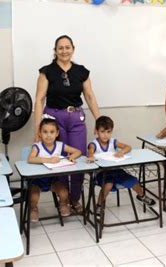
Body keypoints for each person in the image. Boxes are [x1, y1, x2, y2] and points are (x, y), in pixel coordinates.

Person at [34, 35, 101, 214]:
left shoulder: (81, 71)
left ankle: (75, 199)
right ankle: (64, 200)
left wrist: (99, 120)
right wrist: (37, 129)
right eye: (60, 48)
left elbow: (89, 96)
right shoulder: (46, 71)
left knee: (78, 158)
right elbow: (39, 99)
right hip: (54, 119)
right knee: (62, 159)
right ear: (55, 50)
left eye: (67, 47)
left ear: (73, 49)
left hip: (76, 118)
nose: (64, 51)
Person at [88, 116, 155, 211]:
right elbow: (90, 151)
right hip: (101, 173)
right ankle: (99, 206)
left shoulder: (113, 142)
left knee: (134, 181)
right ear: (96, 131)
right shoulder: (94, 144)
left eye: (108, 132)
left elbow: (128, 147)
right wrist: (91, 156)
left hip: (116, 170)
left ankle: (142, 196)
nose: (105, 135)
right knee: (108, 184)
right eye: (102, 132)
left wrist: (121, 152)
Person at [27, 118, 81, 222]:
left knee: (64, 193)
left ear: (57, 133)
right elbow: (30, 159)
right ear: (39, 133)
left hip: (53, 180)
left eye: (52, 132)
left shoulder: (60, 145)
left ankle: (63, 204)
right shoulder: (37, 147)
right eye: (45, 132)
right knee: (33, 197)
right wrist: (49, 160)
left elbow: (78, 151)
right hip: (37, 180)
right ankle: (33, 208)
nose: (48, 135)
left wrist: (72, 157)